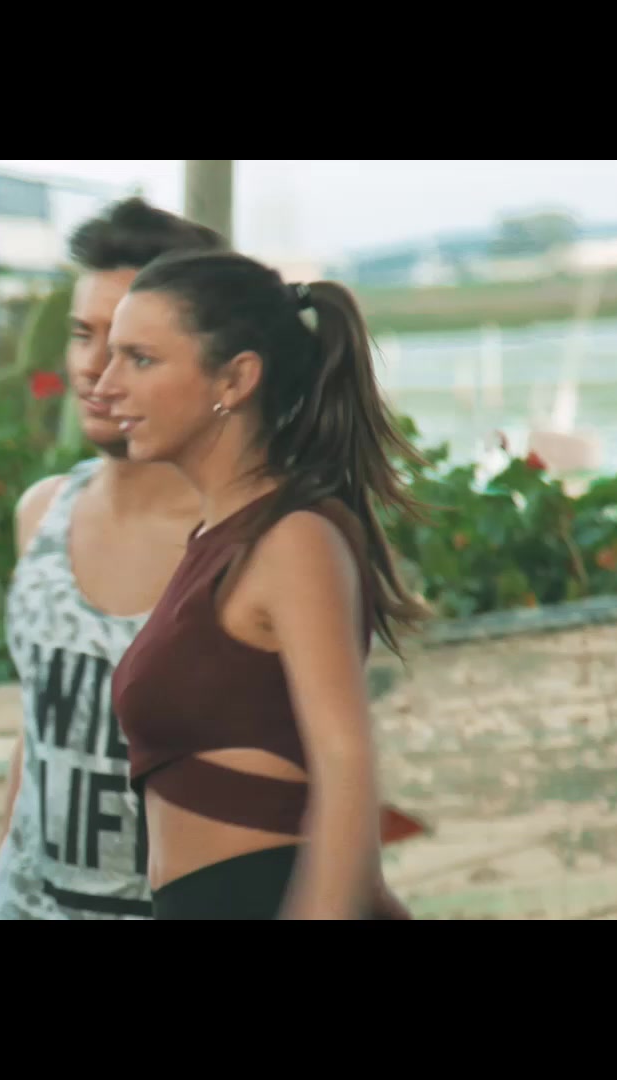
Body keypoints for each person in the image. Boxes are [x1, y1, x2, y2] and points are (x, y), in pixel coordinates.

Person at [102, 249, 425, 919]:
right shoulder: (219, 538)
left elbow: (346, 767)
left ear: (236, 378)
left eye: (141, 359)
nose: (107, 385)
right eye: (111, 356)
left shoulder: (292, 539)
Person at [0, 198, 226, 920]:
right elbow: (37, 731)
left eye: (128, 346)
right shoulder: (43, 513)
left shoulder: (239, 541)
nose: (93, 367)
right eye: (82, 334)